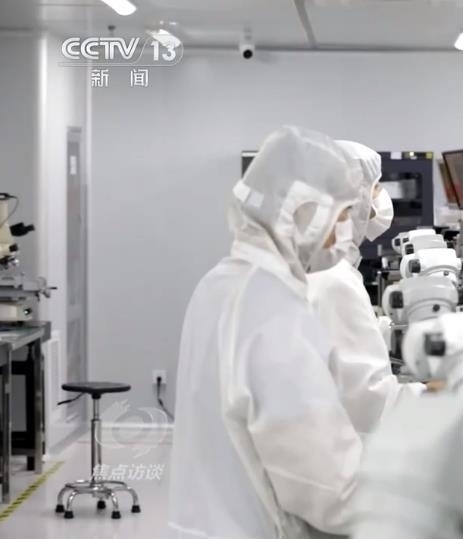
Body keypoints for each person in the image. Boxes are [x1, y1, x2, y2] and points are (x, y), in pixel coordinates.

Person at [169, 126, 367, 539]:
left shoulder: (221, 283)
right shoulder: (274, 310)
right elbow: (329, 490)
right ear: (305, 213)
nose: (344, 232)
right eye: (341, 216)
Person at [306, 140, 421, 436]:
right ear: (353, 200)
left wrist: (387, 330)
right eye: (376, 187)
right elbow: (370, 402)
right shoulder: (333, 277)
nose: (381, 197)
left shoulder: (324, 266)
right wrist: (441, 396)